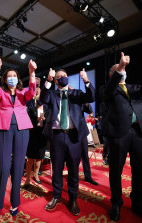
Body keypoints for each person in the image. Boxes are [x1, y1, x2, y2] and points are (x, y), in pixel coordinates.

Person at [103, 50, 142, 223]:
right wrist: (119, 68)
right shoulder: (107, 89)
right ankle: (116, 203)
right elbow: (107, 91)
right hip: (118, 134)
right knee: (115, 171)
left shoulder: (135, 88)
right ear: (112, 74)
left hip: (140, 133)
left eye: (123, 68)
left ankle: (137, 203)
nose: (122, 70)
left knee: (140, 170)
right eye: (117, 69)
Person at [41, 68, 95, 216]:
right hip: (57, 136)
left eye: (64, 76)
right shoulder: (51, 94)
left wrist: (86, 81)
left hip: (74, 136)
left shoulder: (76, 93)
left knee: (73, 170)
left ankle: (72, 199)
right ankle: (57, 196)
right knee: (57, 169)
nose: (62, 78)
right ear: (56, 80)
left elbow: (91, 97)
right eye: (59, 77)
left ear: (67, 79)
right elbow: (41, 99)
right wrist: (48, 80)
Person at [0, 56, 36, 217]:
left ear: (18, 79)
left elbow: (32, 92)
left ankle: (15, 201)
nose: (12, 78)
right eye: (9, 76)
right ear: (5, 79)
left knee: (18, 166)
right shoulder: (1, 94)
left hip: (22, 129)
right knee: (3, 167)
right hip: (4, 128)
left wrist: (31, 73)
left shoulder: (23, 93)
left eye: (14, 76)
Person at [24, 86, 48, 188]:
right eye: (38, 98)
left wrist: (45, 119)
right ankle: (28, 178)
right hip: (33, 134)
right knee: (30, 158)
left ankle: (36, 175)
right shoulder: (31, 108)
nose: (39, 100)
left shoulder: (47, 108)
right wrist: (38, 119)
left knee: (39, 157)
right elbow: (28, 122)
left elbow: (50, 122)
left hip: (42, 135)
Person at [81, 103, 99, 185]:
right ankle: (72, 176)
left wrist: (86, 101)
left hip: (81, 132)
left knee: (85, 156)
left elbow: (89, 110)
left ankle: (88, 177)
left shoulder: (79, 99)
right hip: (70, 133)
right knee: (72, 157)